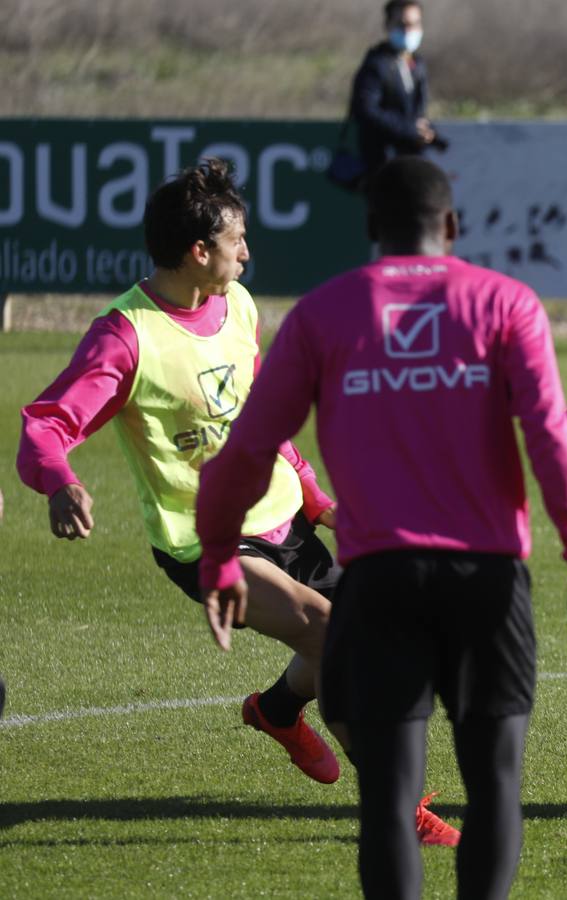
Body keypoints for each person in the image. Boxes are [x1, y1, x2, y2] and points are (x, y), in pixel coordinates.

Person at [195, 156, 567, 899]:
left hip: (378, 582)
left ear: (369, 229)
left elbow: (250, 448)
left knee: (388, 798)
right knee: (493, 790)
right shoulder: (506, 302)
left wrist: (220, 561)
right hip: (486, 582)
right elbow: (551, 441)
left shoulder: (324, 313)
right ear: (451, 226)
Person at [14, 159, 458, 846]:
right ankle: (399, 808)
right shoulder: (125, 336)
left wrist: (312, 499)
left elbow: (261, 417)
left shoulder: (240, 307)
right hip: (207, 541)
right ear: (199, 251)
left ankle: (279, 711)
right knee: (335, 634)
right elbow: (45, 425)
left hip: (281, 518)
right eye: (237, 241)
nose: (248, 252)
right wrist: (59, 480)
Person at [350, 0, 442, 179]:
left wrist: (428, 132)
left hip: (412, 160)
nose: (409, 30)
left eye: (415, 24)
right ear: (388, 25)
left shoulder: (417, 64)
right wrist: (409, 129)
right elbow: (365, 110)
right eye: (402, 24)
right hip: (382, 163)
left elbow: (418, 111)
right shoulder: (377, 63)